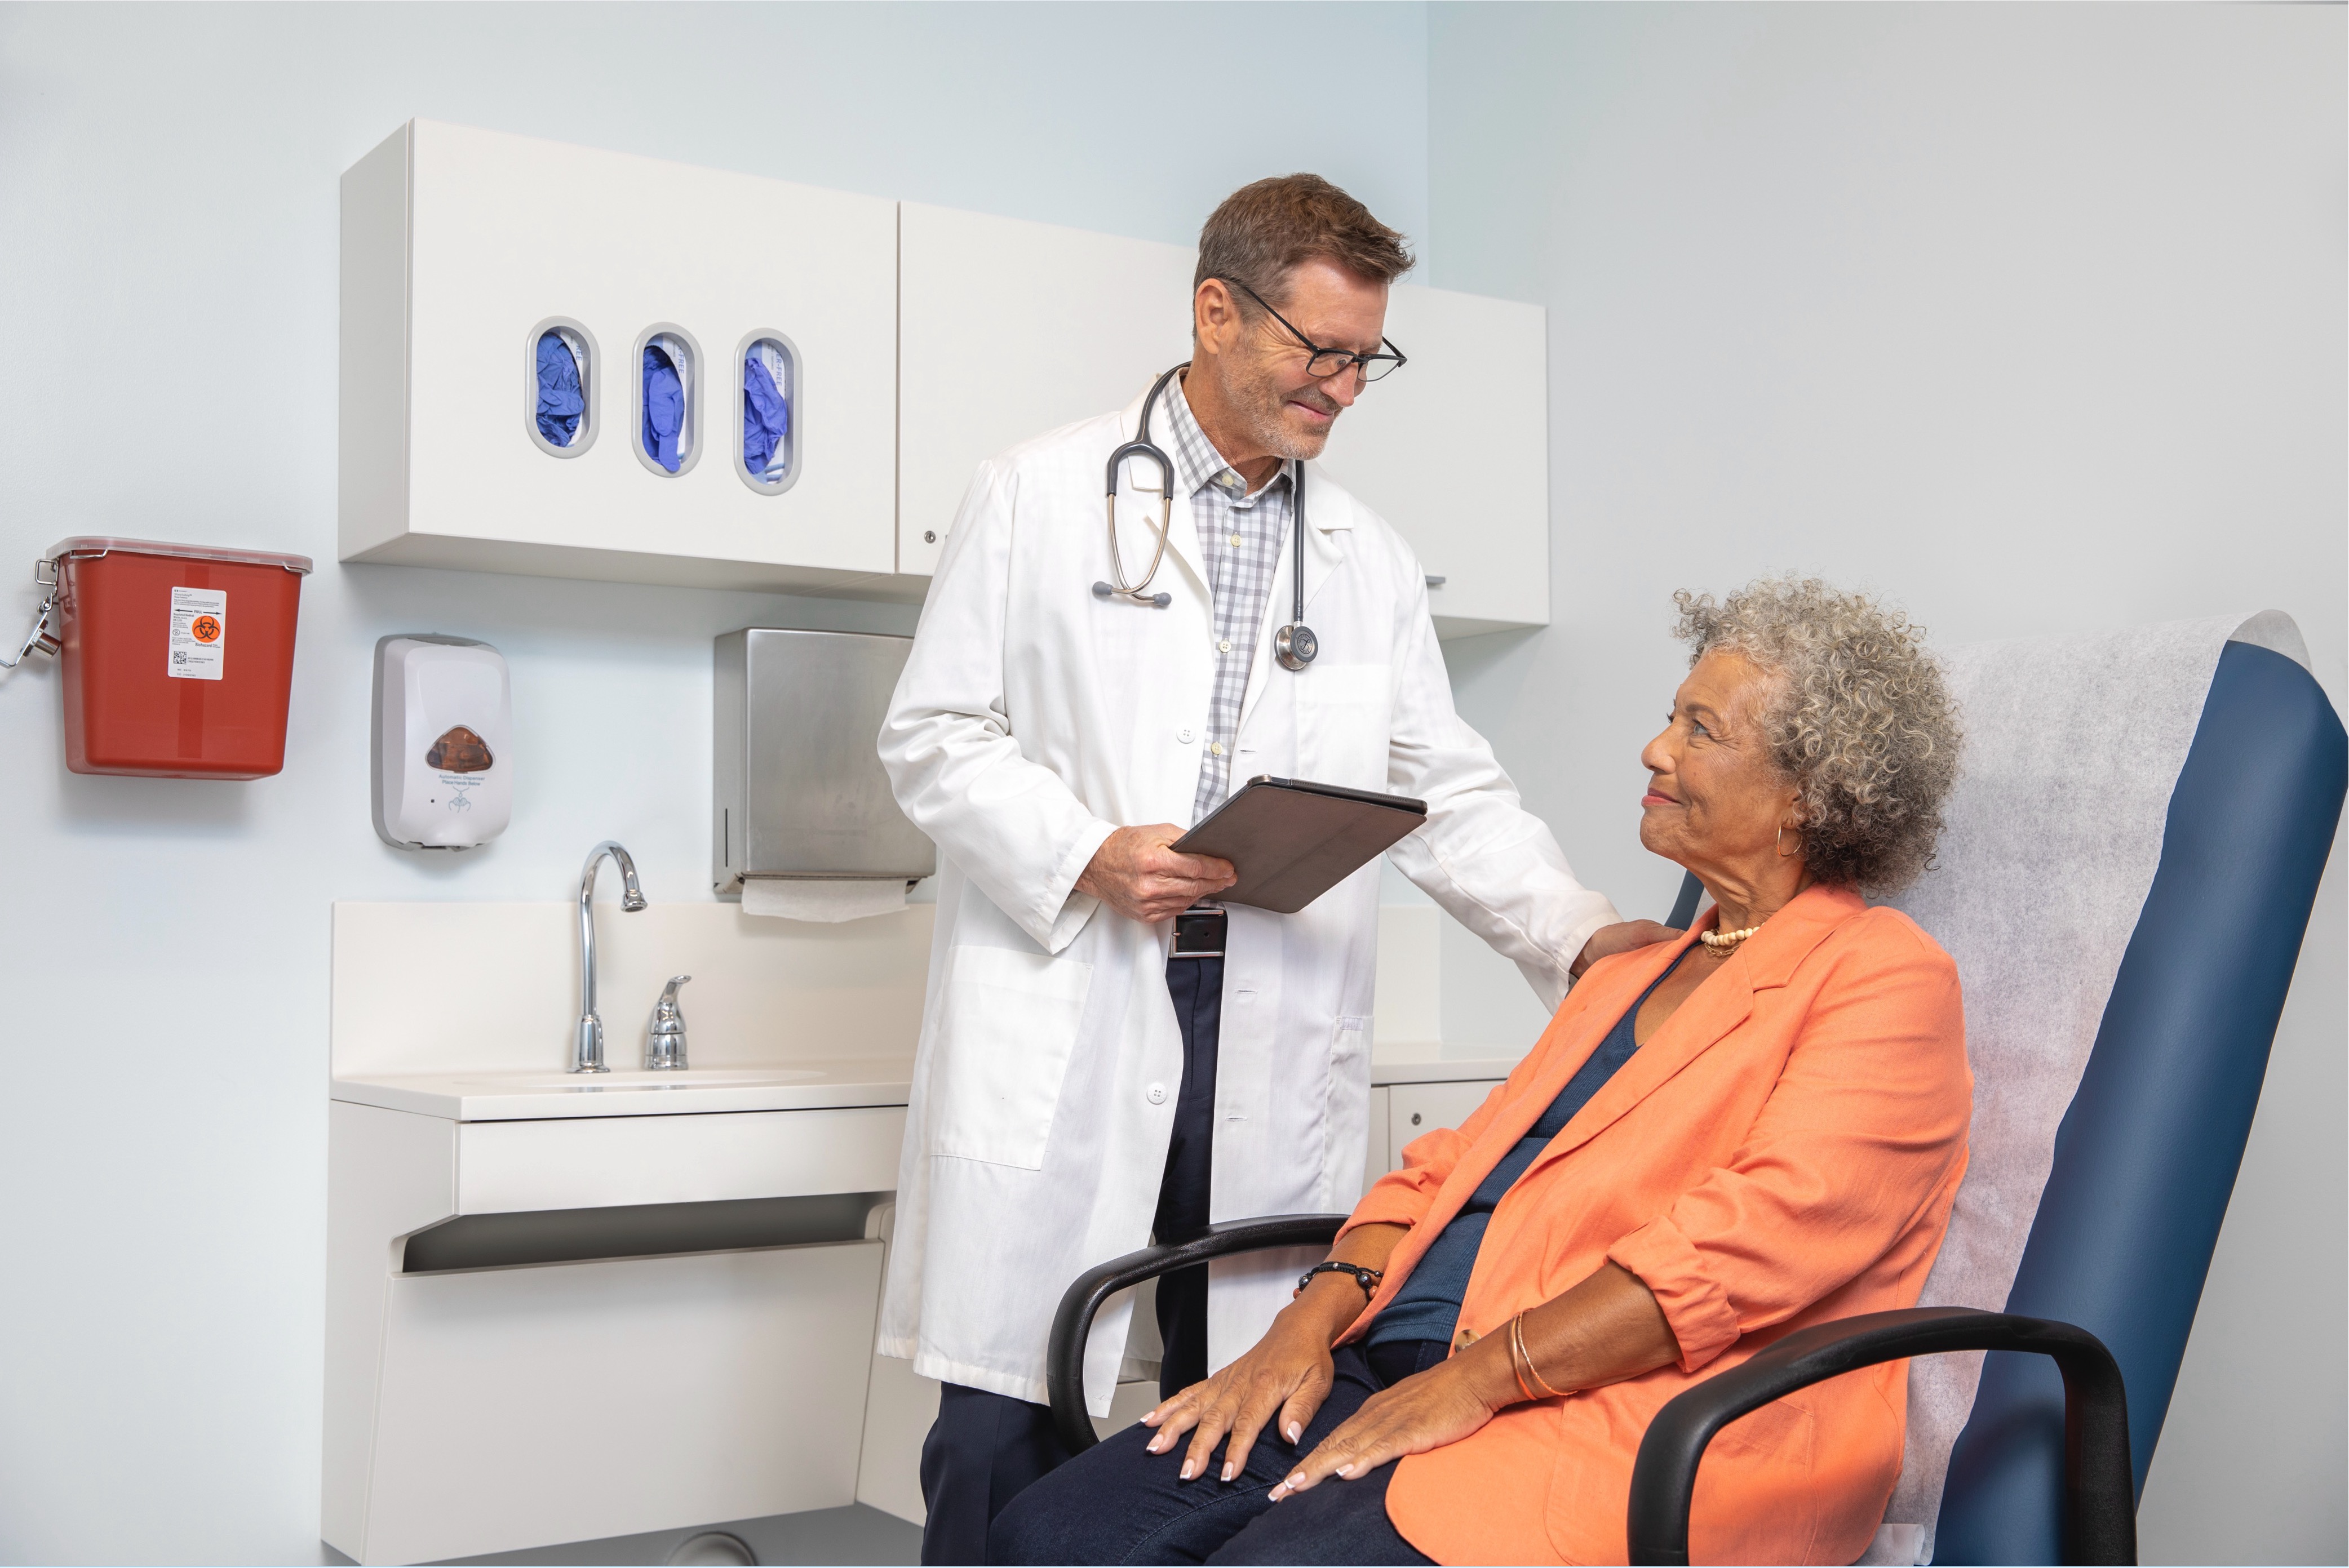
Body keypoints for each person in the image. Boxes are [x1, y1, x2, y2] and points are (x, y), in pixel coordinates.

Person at [877, 175, 1668, 1564]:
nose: (1347, 387)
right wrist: (1085, 853)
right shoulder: (1035, 495)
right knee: (1003, 1431)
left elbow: (1447, 794)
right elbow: (933, 736)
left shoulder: (1365, 558)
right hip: (1080, 997)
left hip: (1266, 1018)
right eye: (1321, 350)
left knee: (1229, 1415)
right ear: (1215, 313)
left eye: (1369, 358)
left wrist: (1585, 940)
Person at [991, 576, 1972, 1567]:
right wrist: (1306, 1325)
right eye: (1669, 717)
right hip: (1382, 1356)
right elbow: (1445, 1172)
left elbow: (1743, 1249)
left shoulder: (1881, 976)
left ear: (1804, 797)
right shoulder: (1630, 970)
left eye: (1700, 730)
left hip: (1611, 1410)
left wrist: (1476, 1380)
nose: (1656, 749)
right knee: (1046, 1536)